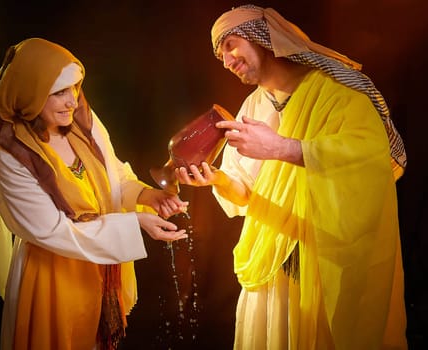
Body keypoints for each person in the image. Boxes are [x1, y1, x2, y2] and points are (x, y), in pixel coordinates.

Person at [175, 4, 408, 350]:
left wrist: (284, 148)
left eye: (229, 44)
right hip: (272, 263)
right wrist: (217, 180)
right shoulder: (254, 105)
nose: (225, 60)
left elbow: (370, 160)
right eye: (219, 55)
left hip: (324, 264)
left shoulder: (338, 93)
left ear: (263, 36)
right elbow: (246, 190)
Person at [0, 37, 189, 350]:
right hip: (52, 280)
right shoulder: (10, 153)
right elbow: (50, 230)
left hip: (100, 270)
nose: (73, 100)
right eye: (60, 92)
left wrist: (148, 197)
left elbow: (112, 176)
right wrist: (135, 224)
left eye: (76, 87)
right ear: (31, 93)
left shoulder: (80, 122)